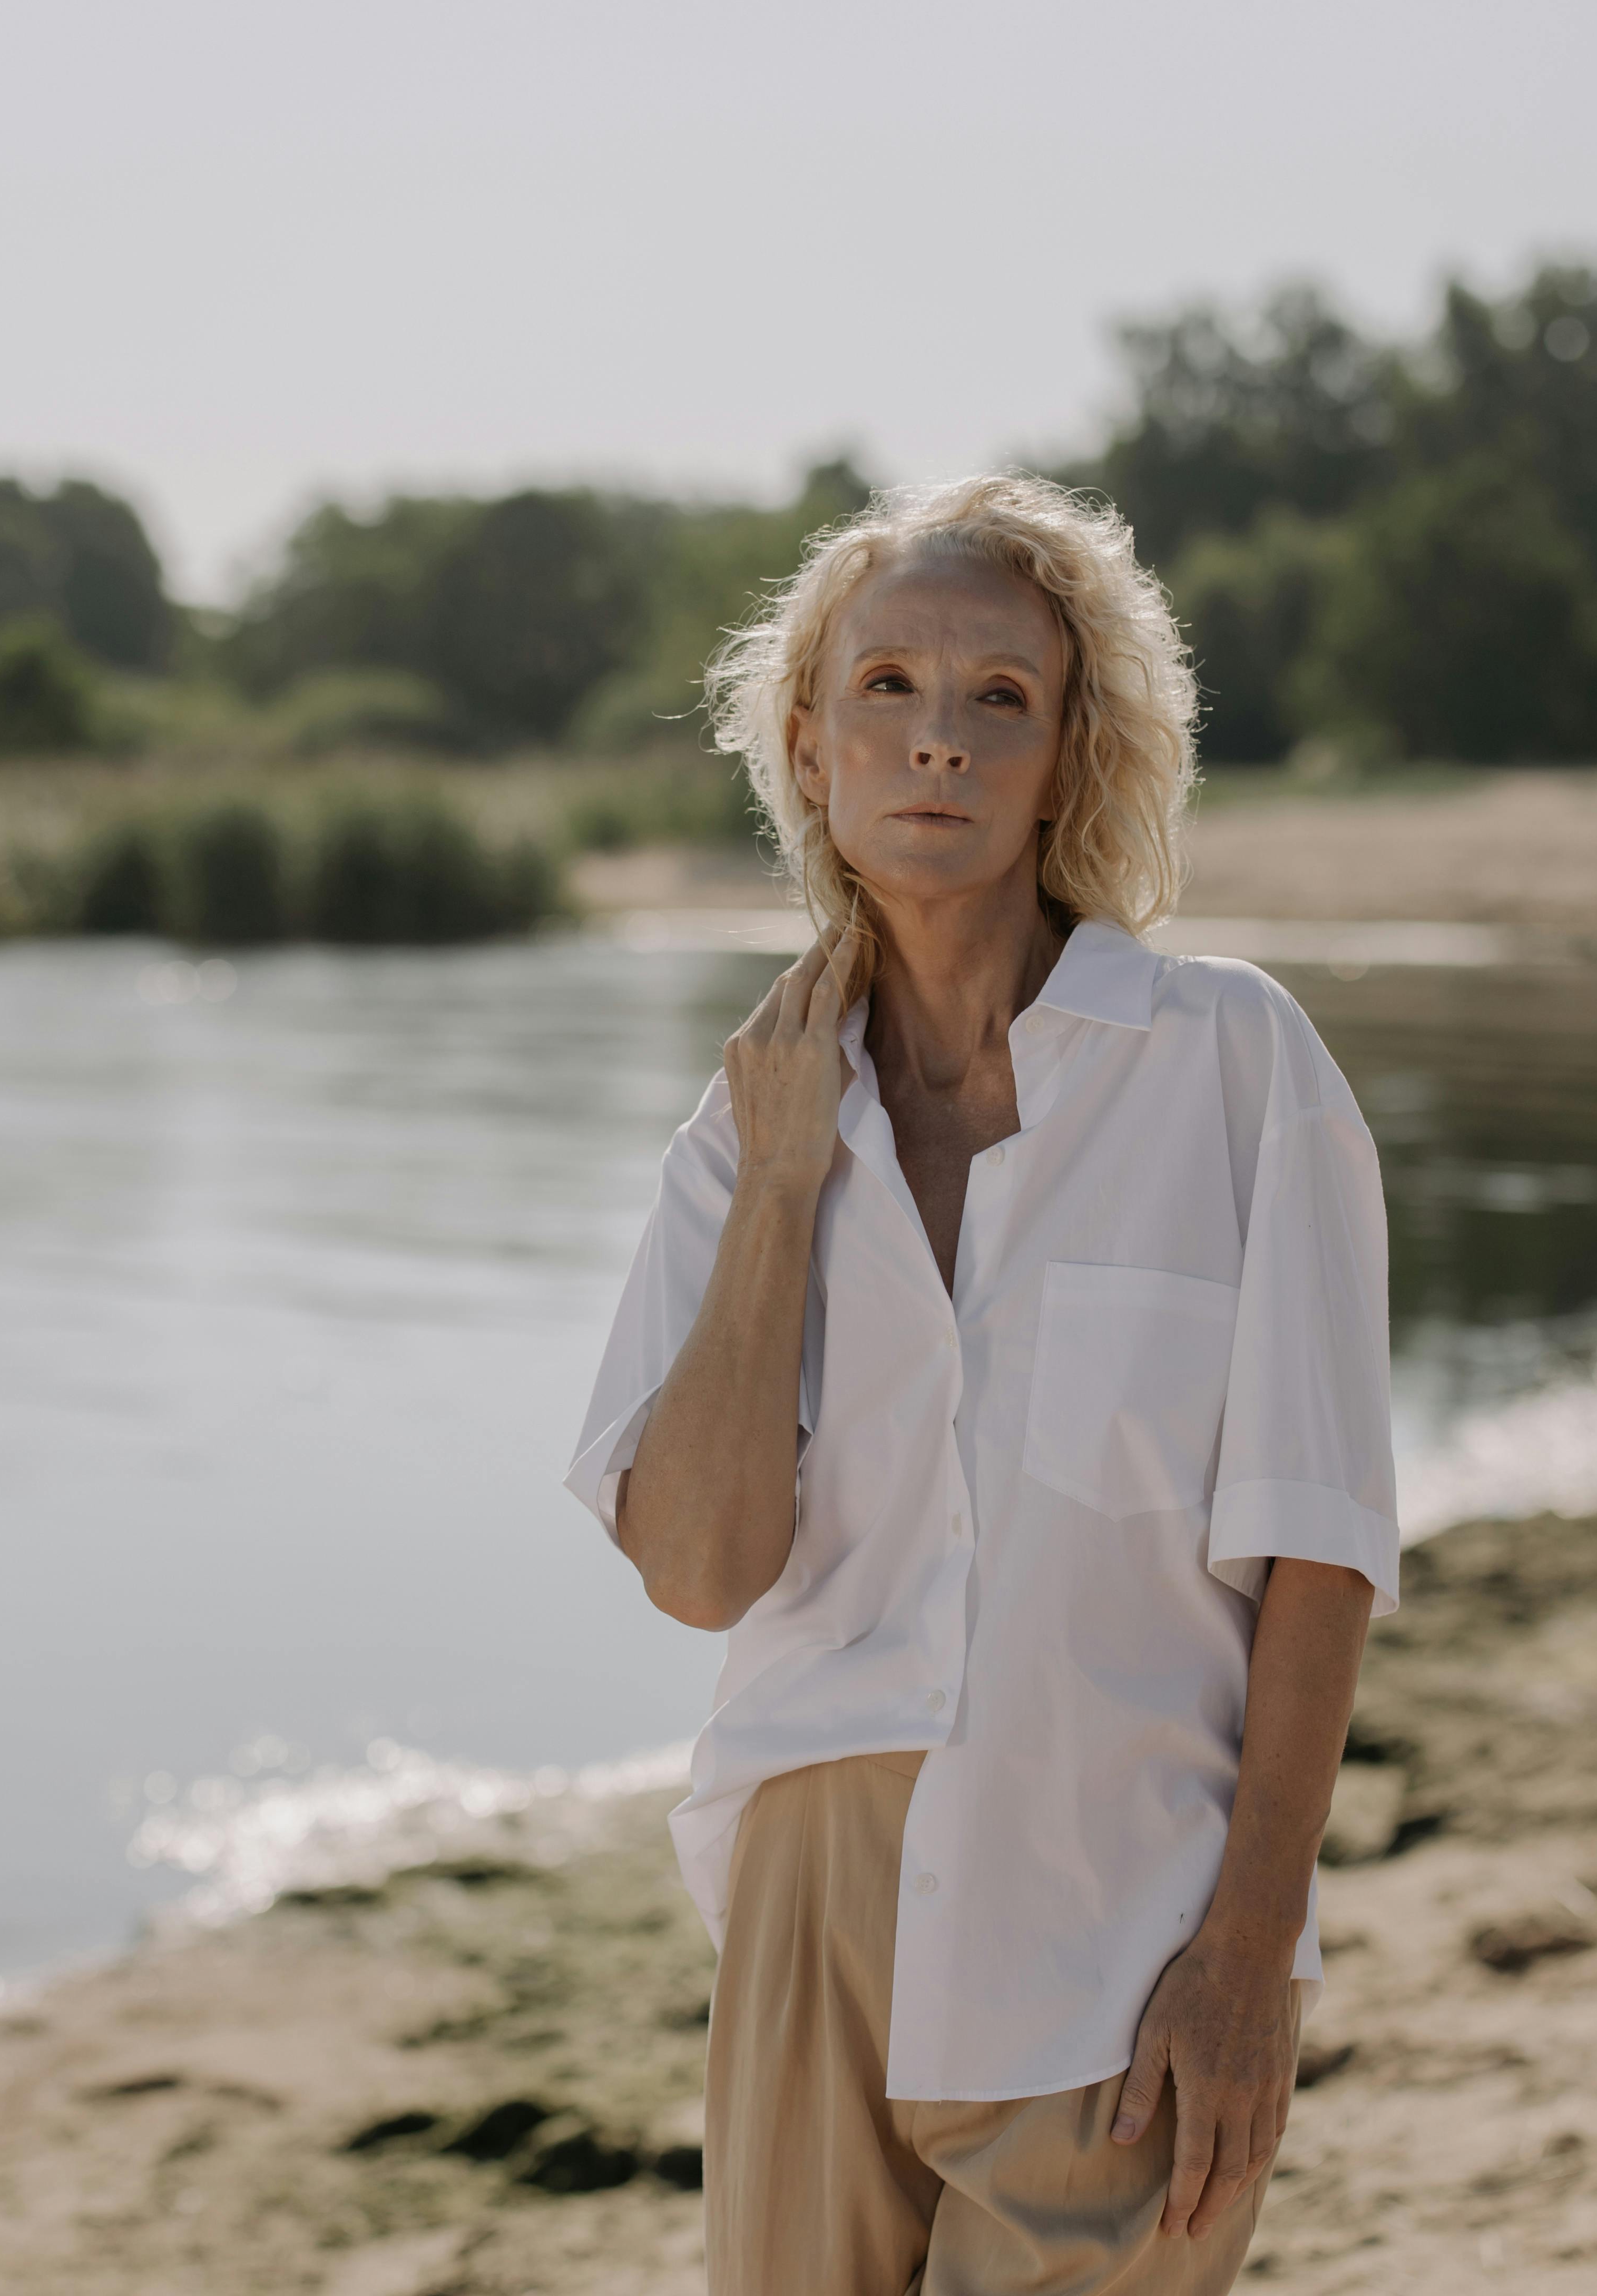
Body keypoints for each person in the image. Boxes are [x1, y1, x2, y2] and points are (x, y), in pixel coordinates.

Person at [564, 474, 1398, 2292]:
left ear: (1067, 754)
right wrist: (789, 1182)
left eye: (997, 700)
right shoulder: (745, 1125)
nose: (936, 742)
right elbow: (702, 1568)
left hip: (1119, 1900)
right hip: (813, 1889)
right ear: (808, 746)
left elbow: (1319, 1544)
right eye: (888, 691)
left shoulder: (1233, 1069)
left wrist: (1252, 1954)